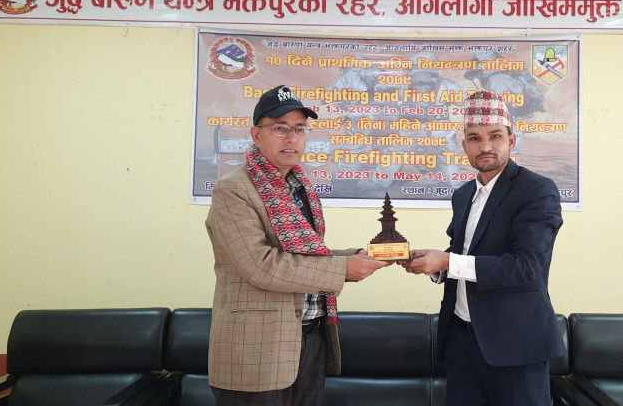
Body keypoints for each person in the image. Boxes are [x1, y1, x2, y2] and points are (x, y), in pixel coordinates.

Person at [205, 84, 389, 405]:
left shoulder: (299, 187)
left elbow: (305, 255)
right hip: (257, 349)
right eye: (280, 128)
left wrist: (356, 256)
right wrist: (343, 269)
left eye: (300, 129)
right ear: (256, 135)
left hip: (310, 338)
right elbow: (262, 266)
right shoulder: (232, 189)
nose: (291, 138)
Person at [401, 90, 565, 406]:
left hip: (516, 344)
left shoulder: (537, 190)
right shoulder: (463, 195)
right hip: (462, 342)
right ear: (463, 145)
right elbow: (462, 252)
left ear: (511, 140)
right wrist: (433, 264)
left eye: (495, 136)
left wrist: (447, 261)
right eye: (474, 138)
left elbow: (526, 268)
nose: (485, 146)